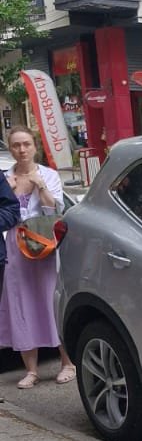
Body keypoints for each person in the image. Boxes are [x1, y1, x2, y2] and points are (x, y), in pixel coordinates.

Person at [0, 127, 75, 388]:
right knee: (20, 303)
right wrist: (8, 191)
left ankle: (67, 362)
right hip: (15, 245)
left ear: (35, 146)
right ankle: (31, 369)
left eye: (26, 144)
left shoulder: (48, 174)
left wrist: (41, 186)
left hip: (42, 243)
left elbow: (54, 208)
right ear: (10, 149)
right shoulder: (4, 177)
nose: (22, 150)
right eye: (16, 145)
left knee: (50, 299)